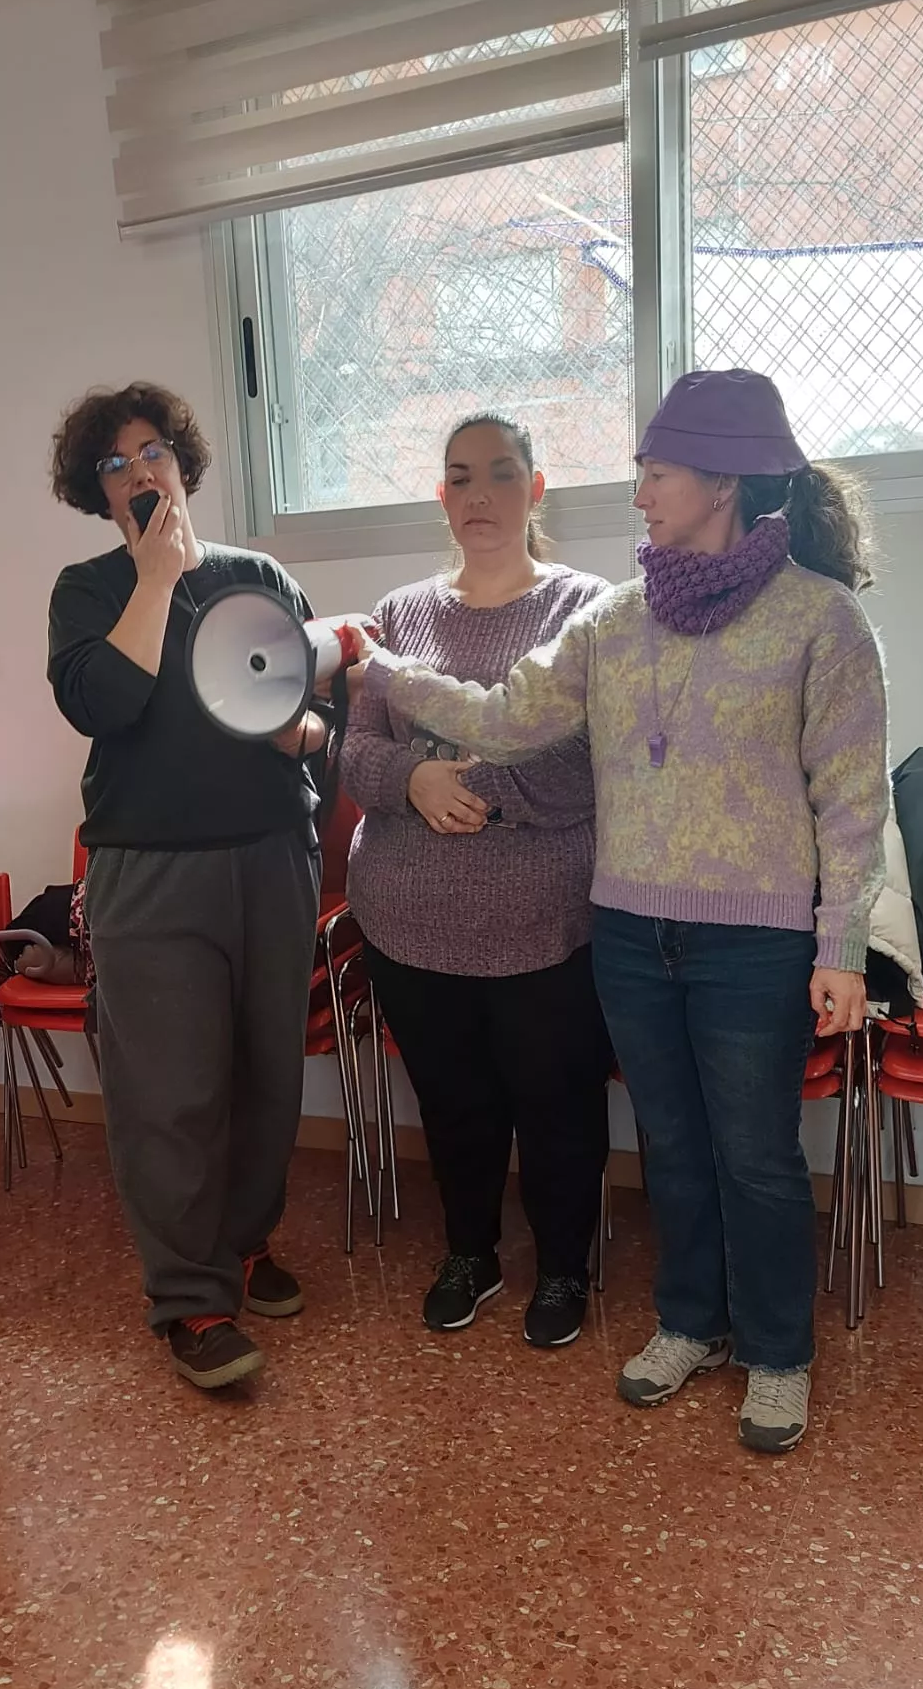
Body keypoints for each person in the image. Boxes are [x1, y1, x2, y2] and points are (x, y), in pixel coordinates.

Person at [342, 371, 888, 1452]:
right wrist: (388, 669)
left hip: (755, 938)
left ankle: (777, 1351)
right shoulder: (617, 617)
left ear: (723, 479)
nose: (637, 489)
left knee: (756, 1154)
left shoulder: (820, 621)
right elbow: (505, 715)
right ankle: (690, 1320)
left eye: (656, 470)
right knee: (674, 1143)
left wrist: (841, 947)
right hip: (630, 928)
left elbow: (852, 799)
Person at [47, 385, 324, 1392]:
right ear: (97, 491)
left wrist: (312, 736)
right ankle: (189, 1295)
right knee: (168, 1089)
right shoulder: (87, 591)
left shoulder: (262, 577)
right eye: (114, 463)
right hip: (148, 869)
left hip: (271, 855)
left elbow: (310, 722)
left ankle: (244, 1243)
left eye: (152, 449)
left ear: (184, 460)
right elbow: (104, 701)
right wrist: (155, 578)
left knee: (265, 1073)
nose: (138, 470)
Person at [342, 414, 613, 1346]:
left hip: (543, 919)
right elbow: (356, 750)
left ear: (536, 489)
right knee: (453, 1105)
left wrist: (484, 791)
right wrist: (409, 781)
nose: (480, 495)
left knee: (556, 1103)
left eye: (501, 474)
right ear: (442, 496)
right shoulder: (400, 611)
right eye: (461, 478)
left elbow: (594, 766)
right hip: (408, 920)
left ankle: (565, 1268)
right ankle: (470, 1251)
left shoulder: (587, 607)